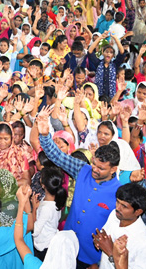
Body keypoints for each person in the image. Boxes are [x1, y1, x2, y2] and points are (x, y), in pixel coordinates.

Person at [36, 107, 121, 268]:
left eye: (101, 168)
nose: (94, 169)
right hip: (67, 247)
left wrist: (98, 262)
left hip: (92, 259)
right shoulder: (83, 169)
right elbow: (57, 156)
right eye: (94, 164)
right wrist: (45, 135)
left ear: (113, 169)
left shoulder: (119, 193)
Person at [92, 182, 146, 269]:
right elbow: (104, 239)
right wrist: (99, 241)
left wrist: (111, 253)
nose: (118, 208)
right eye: (118, 202)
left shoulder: (145, 244)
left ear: (138, 211)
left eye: (124, 206)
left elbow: (108, 249)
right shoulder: (114, 215)